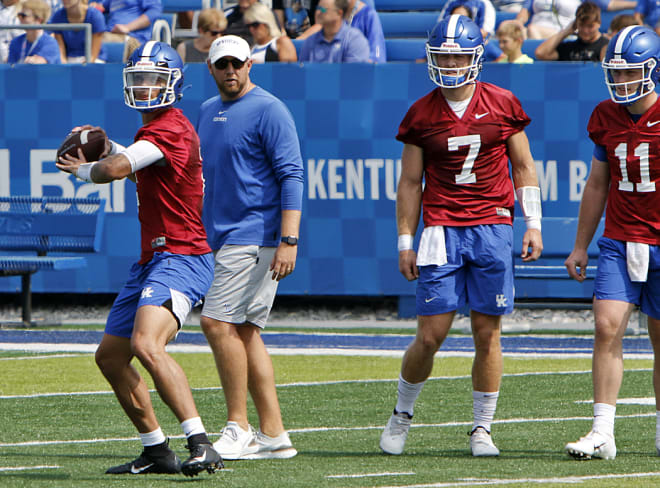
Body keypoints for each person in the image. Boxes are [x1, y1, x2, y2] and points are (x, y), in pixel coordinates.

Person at [55, 41, 222, 477]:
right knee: (110, 357)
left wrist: (82, 168)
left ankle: (201, 443)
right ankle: (156, 450)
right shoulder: (154, 132)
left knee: (147, 345)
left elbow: (116, 169)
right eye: (139, 79)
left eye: (154, 79)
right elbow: (134, 154)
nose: (146, 87)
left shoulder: (171, 127)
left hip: (183, 255)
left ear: (175, 85)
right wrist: (108, 143)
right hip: (153, 258)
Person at [379, 14, 543, 458]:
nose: (450, 64)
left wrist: (533, 222)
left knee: (487, 332)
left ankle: (482, 428)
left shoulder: (503, 102)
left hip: (491, 225)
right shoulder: (421, 113)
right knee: (431, 334)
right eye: (443, 56)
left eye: (458, 56)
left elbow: (524, 165)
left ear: (475, 57)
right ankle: (401, 413)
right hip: (442, 228)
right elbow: (410, 183)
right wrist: (405, 240)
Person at [196, 34, 304, 461]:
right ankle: (274, 433)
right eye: (222, 65)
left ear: (249, 65)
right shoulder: (205, 111)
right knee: (244, 332)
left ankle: (238, 426)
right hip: (221, 236)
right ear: (211, 69)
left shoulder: (270, 109)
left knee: (216, 324)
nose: (230, 71)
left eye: (237, 64)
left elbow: (292, 176)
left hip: (255, 235)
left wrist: (288, 239)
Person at [564, 25, 660, 461]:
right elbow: (597, 184)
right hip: (620, 239)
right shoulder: (605, 115)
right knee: (606, 327)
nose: (621, 81)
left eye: (630, 73)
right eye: (616, 73)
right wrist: (581, 245)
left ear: (652, 70)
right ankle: (603, 431)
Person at [299, 0, 370, 63]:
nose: (318, 12)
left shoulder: (355, 40)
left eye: (323, 10)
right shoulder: (310, 41)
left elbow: (353, 74)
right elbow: (303, 73)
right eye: (317, 8)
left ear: (339, 13)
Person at [535, 1, 609, 61]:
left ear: (599, 23)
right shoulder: (569, 48)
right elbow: (541, 53)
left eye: (590, 26)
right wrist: (565, 32)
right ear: (576, 24)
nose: (586, 31)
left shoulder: (606, 46)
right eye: (582, 26)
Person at [96, 0, 162, 46]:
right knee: (90, 39)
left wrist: (127, 27)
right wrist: (95, 6)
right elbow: (102, 6)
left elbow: (154, 12)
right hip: (111, 35)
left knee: (95, 42)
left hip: (133, 38)